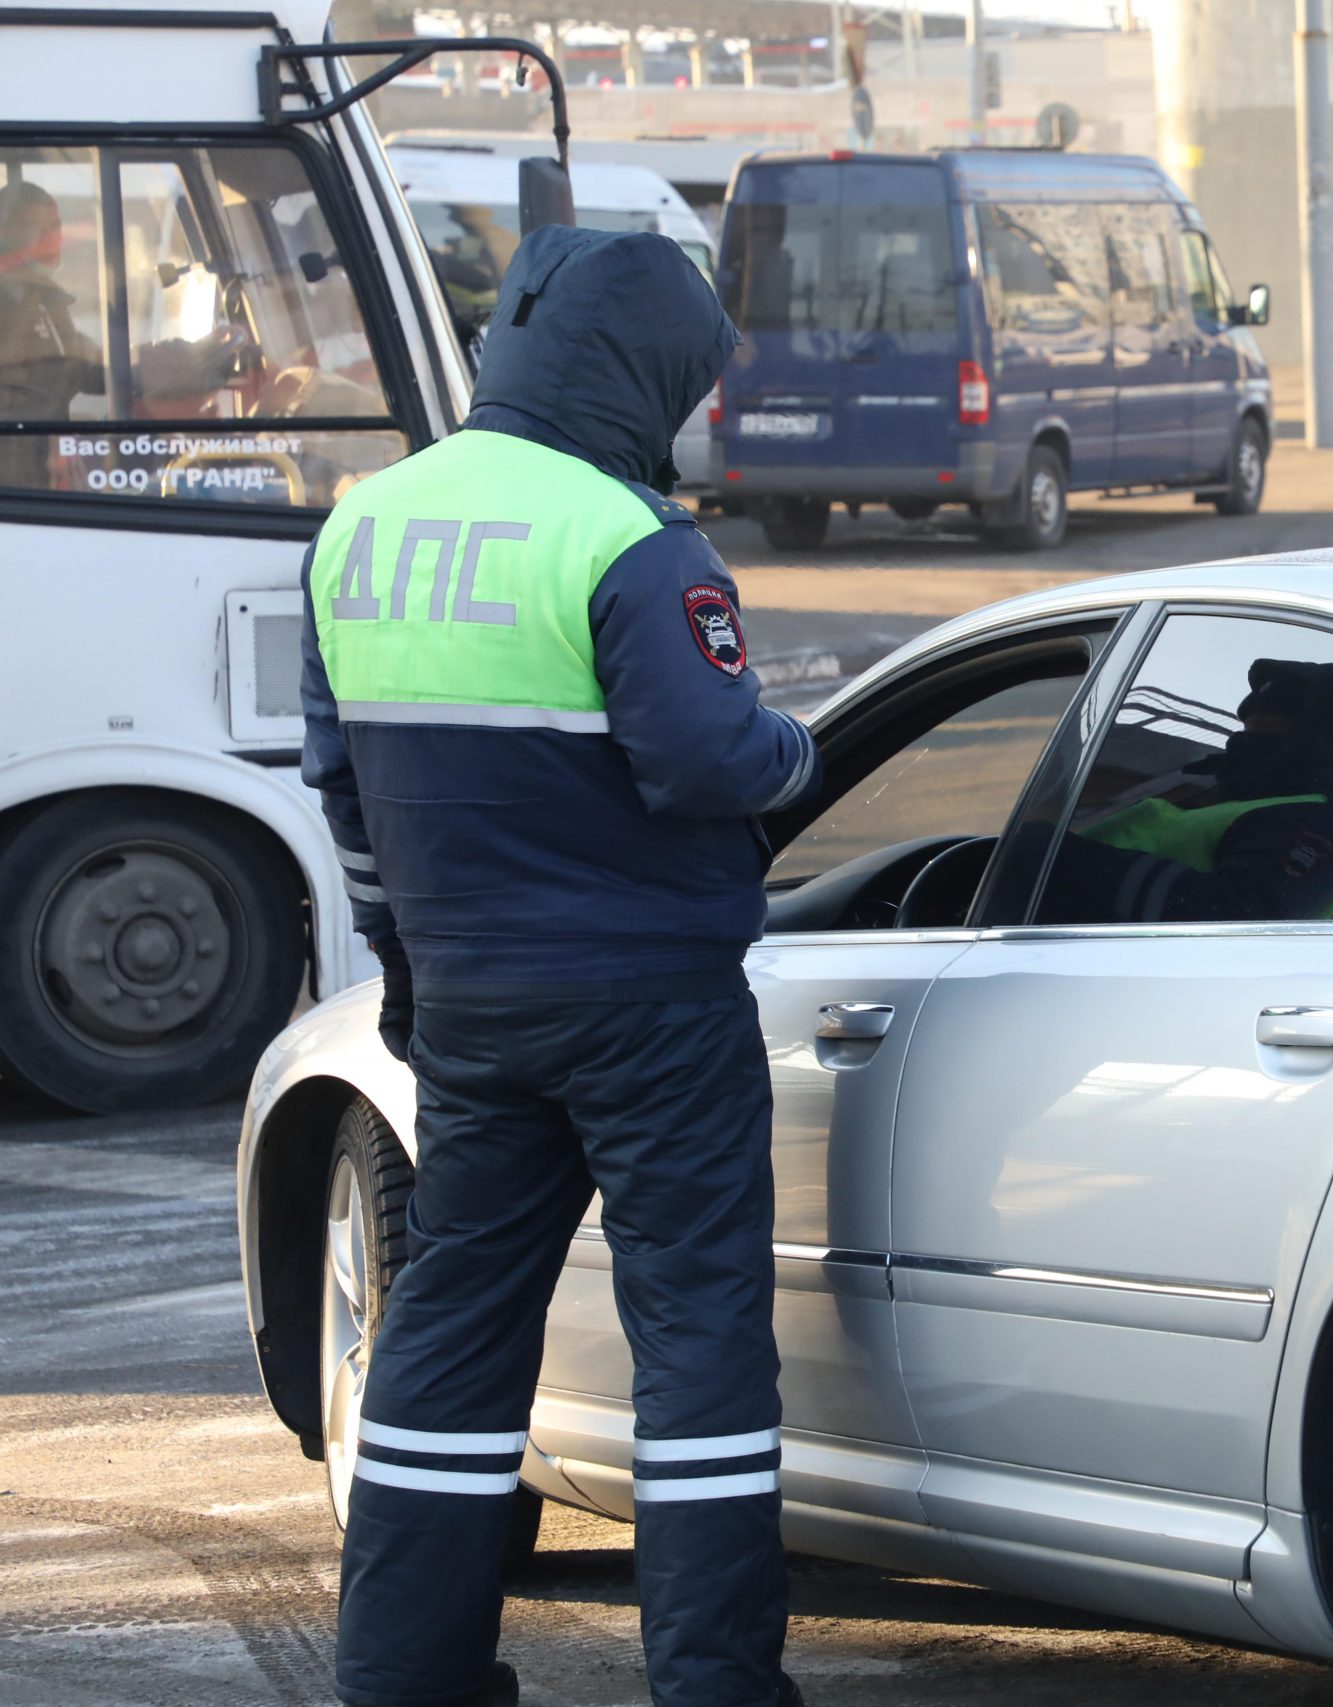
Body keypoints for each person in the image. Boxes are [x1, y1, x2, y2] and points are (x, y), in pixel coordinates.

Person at [300, 224, 818, 1707]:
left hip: (469, 1004)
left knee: (452, 1325)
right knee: (699, 1334)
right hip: (651, 1005)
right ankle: (717, 1682)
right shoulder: (627, 539)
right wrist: (802, 737)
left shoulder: (360, 528)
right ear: (647, 371)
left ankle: (404, 1671)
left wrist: (408, 962)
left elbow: (343, 791)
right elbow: (710, 757)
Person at [1038, 657, 1333, 923]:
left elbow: (1235, 921)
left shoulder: (1320, 825)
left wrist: (1054, 862)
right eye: (1250, 720)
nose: (1247, 726)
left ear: (1332, 735)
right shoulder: (1225, 786)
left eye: (1272, 723)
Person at [0, 181, 101, 488]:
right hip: (15, 480)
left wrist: (172, 362)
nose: (50, 238)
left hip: (37, 469)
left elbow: (87, 365)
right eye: (34, 226)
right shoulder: (15, 299)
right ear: (5, 232)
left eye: (55, 226)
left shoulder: (42, 298)